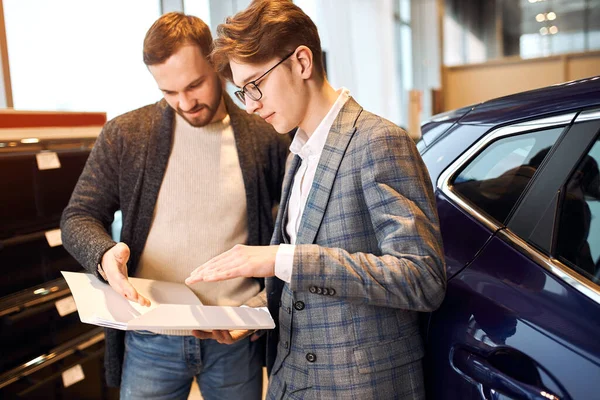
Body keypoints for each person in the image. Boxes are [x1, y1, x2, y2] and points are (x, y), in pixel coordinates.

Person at [185, 1, 446, 398]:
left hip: (360, 386)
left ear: (302, 62)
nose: (251, 104)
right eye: (242, 92)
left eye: (255, 84)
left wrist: (279, 258)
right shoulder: (298, 152)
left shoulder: (378, 141)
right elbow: (303, 283)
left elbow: (422, 278)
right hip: (292, 380)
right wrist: (248, 315)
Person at [60, 12, 290, 400]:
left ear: (216, 63)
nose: (184, 102)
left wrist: (259, 304)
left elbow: (288, 229)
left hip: (234, 336)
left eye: (195, 84)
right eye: (169, 92)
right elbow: (78, 215)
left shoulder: (262, 134)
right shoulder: (127, 134)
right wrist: (104, 254)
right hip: (151, 336)